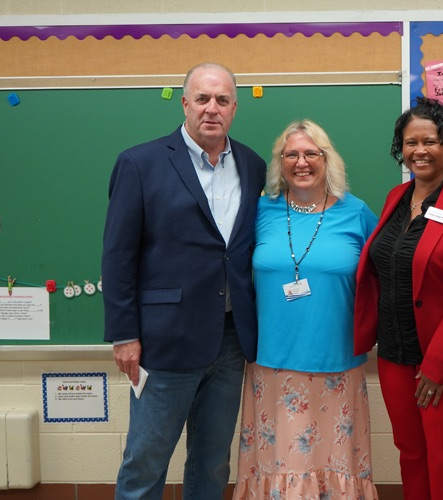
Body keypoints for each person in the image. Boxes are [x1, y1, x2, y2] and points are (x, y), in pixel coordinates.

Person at [102, 62, 266, 499]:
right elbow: (118, 256)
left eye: (223, 100)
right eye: (203, 98)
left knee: (212, 463)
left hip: (230, 340)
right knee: (146, 461)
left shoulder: (252, 165)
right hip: (164, 340)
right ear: (185, 103)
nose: (212, 108)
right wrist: (124, 335)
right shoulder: (140, 163)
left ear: (234, 108)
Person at [354, 97, 443, 499]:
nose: (419, 150)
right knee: (412, 453)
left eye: (430, 141)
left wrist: (437, 366)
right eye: (410, 142)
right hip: (395, 353)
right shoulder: (396, 198)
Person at [233, 120, 379, 499]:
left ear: (327, 160)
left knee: (335, 460)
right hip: (273, 363)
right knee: (282, 463)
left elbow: (384, 275)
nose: (301, 162)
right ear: (279, 162)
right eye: (291, 154)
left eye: (311, 153)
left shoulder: (356, 212)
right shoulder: (259, 211)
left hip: (339, 363)